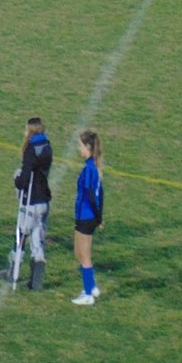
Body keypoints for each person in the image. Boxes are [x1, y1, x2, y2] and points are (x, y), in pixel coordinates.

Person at [13, 117, 52, 290]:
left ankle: (13, 271)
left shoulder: (31, 149)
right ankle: (36, 278)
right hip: (43, 199)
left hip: (30, 200)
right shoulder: (47, 147)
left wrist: (17, 181)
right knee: (37, 237)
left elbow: (26, 176)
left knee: (21, 234)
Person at [71, 130, 104, 305]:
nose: (79, 149)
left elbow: (91, 195)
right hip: (88, 216)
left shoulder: (90, 169)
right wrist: (100, 217)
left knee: (83, 255)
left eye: (80, 145)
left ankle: (88, 294)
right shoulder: (95, 167)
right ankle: (92, 286)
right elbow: (101, 194)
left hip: (86, 216)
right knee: (80, 252)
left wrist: (97, 218)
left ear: (88, 147)